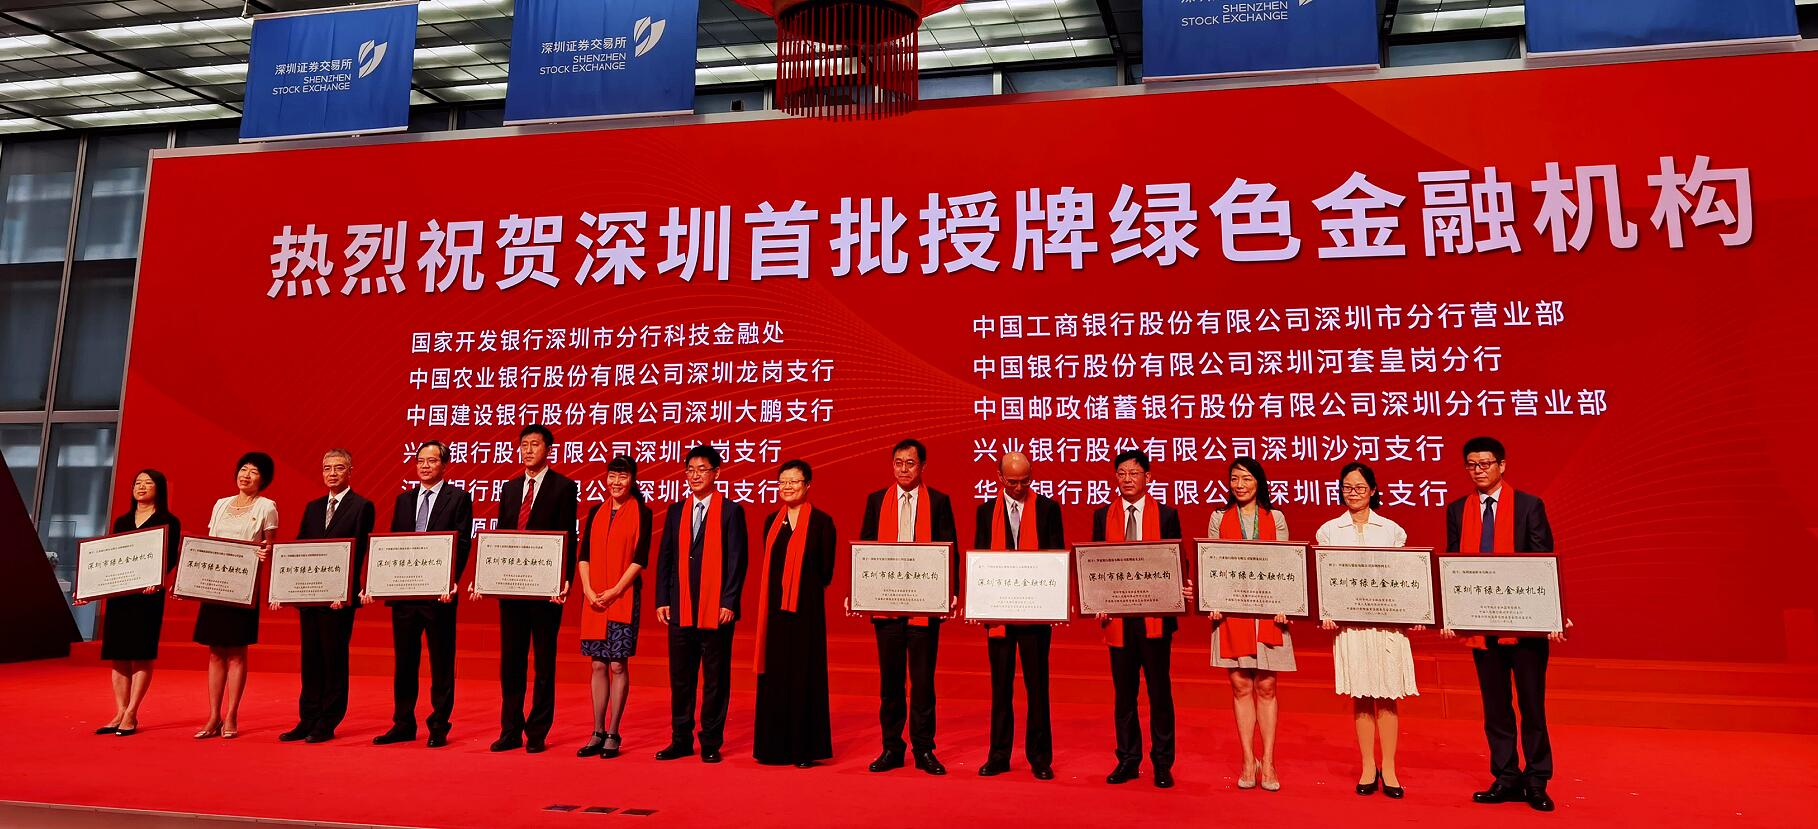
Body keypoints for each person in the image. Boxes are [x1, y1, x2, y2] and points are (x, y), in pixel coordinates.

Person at [1444, 436, 1566, 813]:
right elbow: (1453, 566)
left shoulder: (1529, 506)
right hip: (1482, 625)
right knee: (1495, 706)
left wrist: (1551, 613)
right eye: (1471, 464)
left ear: (1502, 465)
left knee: (1531, 705)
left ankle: (1537, 779)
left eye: (1485, 463)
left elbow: (1543, 561)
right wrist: (1451, 613)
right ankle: (1506, 775)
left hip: (1525, 625)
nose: (1478, 470)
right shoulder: (1457, 510)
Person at [856, 438, 959, 776]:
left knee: (923, 682)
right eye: (898, 463)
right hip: (886, 605)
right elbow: (865, 549)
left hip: (924, 605)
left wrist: (952, 592)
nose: (903, 469)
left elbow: (950, 548)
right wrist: (859, 591)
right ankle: (891, 747)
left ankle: (924, 748)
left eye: (910, 463)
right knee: (891, 683)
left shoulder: (939, 501)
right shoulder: (876, 501)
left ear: (923, 466)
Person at [1317, 462, 1418, 800]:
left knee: (1387, 694)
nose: (1354, 493)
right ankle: (1367, 766)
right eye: (1347, 488)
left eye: (1360, 487)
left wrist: (1413, 611)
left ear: (1373, 491)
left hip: (1387, 622)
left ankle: (1389, 767)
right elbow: (1325, 578)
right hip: (1351, 624)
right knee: (1361, 694)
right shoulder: (1329, 531)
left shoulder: (1392, 530)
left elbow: (1404, 575)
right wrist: (1327, 611)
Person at [1090, 450, 1184, 789]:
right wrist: (1095, 599)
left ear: (1148, 477)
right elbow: (1095, 565)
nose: (1127, 479)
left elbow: (1177, 562)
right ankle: (1128, 759)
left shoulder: (1167, 515)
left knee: (1159, 692)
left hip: (1155, 617)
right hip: (1119, 619)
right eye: (1121, 473)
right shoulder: (1103, 516)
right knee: (1124, 693)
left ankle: (1162, 762)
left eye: (1134, 473)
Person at [481, 424, 577, 754]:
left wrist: (564, 581)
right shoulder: (509, 488)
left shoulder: (563, 487)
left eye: (535, 444)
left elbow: (568, 536)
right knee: (511, 661)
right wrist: (488, 577)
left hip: (545, 590)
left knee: (544, 663)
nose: (528, 450)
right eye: (524, 445)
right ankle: (510, 729)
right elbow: (501, 537)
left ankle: (537, 732)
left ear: (548, 449)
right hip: (511, 589)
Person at [371, 439, 472, 748]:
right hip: (405, 594)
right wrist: (382, 582)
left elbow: (462, 543)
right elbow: (393, 544)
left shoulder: (458, 498)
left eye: (432, 461)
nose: (425, 466)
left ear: (444, 465)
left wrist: (451, 581)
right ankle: (403, 723)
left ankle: (439, 725)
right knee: (404, 661)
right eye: (420, 461)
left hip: (439, 595)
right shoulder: (404, 500)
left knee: (441, 662)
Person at [654, 445, 749, 764]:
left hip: (716, 610)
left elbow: (737, 561)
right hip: (680, 607)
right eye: (690, 470)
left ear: (716, 473)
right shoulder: (676, 511)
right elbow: (665, 558)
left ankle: (710, 741)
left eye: (702, 469)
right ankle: (680, 739)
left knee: (715, 679)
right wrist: (663, 598)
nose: (695, 475)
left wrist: (729, 601)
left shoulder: (731, 511)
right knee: (681, 679)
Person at [973, 451, 1064, 780]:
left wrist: (1056, 601)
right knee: (1000, 687)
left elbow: (1057, 557)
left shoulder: (1048, 509)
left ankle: (1040, 757)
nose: (1018, 487)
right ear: (999, 478)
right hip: (999, 613)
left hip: (1035, 614)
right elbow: (980, 559)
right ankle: (999, 755)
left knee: (1037, 687)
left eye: (1025, 481)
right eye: (1012, 481)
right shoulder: (986, 512)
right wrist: (978, 603)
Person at [1207, 457, 1295, 792]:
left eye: (1246, 478)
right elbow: (1211, 563)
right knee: (1240, 686)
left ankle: (1268, 760)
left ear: (1259, 482)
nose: (1240, 485)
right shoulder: (1219, 518)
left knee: (1267, 687)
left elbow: (1287, 564)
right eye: (1234, 479)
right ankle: (1248, 759)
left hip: (1269, 612)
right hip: (1232, 612)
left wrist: (1287, 604)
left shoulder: (1276, 517)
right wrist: (1211, 601)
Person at [278, 449, 375, 744]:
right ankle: (307, 718)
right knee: (310, 659)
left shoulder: (362, 506)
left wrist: (344, 590)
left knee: (333, 658)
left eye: (339, 467)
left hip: (338, 599)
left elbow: (359, 552)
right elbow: (299, 549)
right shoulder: (313, 507)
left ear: (350, 471)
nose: (332, 473)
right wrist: (285, 589)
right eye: (327, 468)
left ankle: (328, 720)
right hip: (310, 596)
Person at [75, 469, 180, 738]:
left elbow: (169, 557)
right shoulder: (122, 521)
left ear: (159, 489)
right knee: (119, 654)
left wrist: (156, 579)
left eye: (148, 483)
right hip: (120, 596)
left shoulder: (168, 521)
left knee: (141, 653)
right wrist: (90, 588)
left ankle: (132, 712)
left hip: (148, 595)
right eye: (137, 483)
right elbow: (110, 557)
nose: (141, 487)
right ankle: (119, 711)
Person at [751, 459, 836, 768]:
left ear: (807, 485)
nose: (787, 487)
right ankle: (773, 748)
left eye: (794, 482)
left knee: (804, 676)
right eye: (782, 482)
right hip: (774, 614)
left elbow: (826, 572)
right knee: (775, 677)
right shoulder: (770, 522)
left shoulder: (822, 523)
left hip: (806, 614)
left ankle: (803, 749)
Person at [189, 452, 277, 740]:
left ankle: (232, 714)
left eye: (253, 471)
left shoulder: (267, 507)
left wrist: (265, 553)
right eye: (243, 469)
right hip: (214, 585)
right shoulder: (220, 504)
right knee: (215, 651)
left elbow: (270, 547)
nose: (246, 475)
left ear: (263, 479)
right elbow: (210, 543)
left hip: (243, 588)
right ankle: (213, 715)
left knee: (237, 652)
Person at [575, 455, 651, 760]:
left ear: (632, 479)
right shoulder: (596, 511)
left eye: (623, 476)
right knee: (597, 664)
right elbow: (583, 555)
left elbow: (640, 558)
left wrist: (616, 590)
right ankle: (596, 730)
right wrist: (588, 589)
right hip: (594, 597)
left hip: (623, 596)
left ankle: (613, 731)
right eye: (612, 476)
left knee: (618, 664)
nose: (616, 482)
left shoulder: (642, 512)